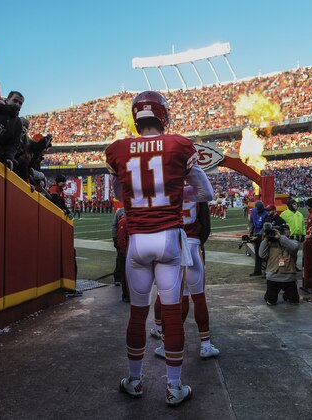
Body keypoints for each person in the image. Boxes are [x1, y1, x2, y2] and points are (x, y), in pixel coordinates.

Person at [105, 90, 213, 406]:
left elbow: (119, 193)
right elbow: (205, 192)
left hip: (138, 241)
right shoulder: (179, 145)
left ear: (136, 116)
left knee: (137, 316)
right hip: (170, 239)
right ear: (162, 115)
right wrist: (176, 194)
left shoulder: (118, 150)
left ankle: (135, 380)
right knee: (171, 312)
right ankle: (174, 386)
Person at [152, 197, 219, 360]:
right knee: (199, 298)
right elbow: (206, 226)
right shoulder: (197, 188)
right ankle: (205, 344)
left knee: (173, 301)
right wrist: (196, 242)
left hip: (171, 246)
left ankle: (165, 344)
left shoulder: (167, 187)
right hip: (192, 244)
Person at [259, 221, 300, 305]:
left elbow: (293, 248)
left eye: (286, 230)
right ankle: (268, 295)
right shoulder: (269, 243)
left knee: (295, 301)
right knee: (271, 302)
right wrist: (266, 239)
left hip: (289, 277)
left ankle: (287, 295)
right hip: (273, 277)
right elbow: (261, 255)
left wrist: (280, 237)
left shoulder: (293, 242)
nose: (285, 232)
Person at [0, 91, 25, 169]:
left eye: (20, 103)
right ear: (7, 100)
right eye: (15, 101)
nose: (17, 104)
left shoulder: (18, 123)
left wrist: (9, 157)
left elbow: (13, 144)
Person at [111, 207, 129, 302]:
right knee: (120, 261)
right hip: (122, 240)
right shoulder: (120, 212)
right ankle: (117, 278)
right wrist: (115, 238)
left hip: (131, 245)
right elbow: (114, 225)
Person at [248, 201, 268, 276]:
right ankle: (257, 271)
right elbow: (252, 222)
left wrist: (259, 234)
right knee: (257, 253)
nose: (258, 212)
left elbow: (265, 226)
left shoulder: (266, 213)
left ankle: (266, 271)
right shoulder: (253, 211)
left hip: (264, 236)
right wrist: (250, 231)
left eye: (260, 211)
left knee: (264, 254)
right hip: (256, 234)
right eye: (257, 210)